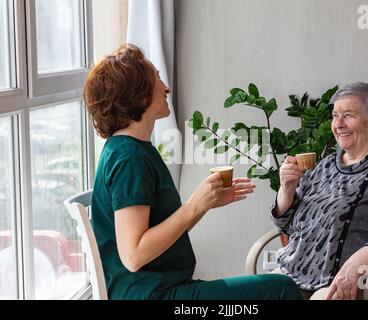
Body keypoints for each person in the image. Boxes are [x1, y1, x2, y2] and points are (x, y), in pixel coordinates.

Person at [83, 44, 302, 300]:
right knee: (281, 290)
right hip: (156, 296)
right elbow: (133, 256)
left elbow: (160, 235)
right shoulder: (129, 157)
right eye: (156, 77)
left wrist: (205, 204)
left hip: (164, 290)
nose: (166, 87)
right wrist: (194, 206)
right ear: (137, 94)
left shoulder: (132, 149)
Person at [271, 82, 368, 300]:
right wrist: (286, 190)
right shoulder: (325, 165)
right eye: (335, 115)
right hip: (293, 272)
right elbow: (284, 224)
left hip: (346, 281)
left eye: (348, 115)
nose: (338, 124)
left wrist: (356, 265)